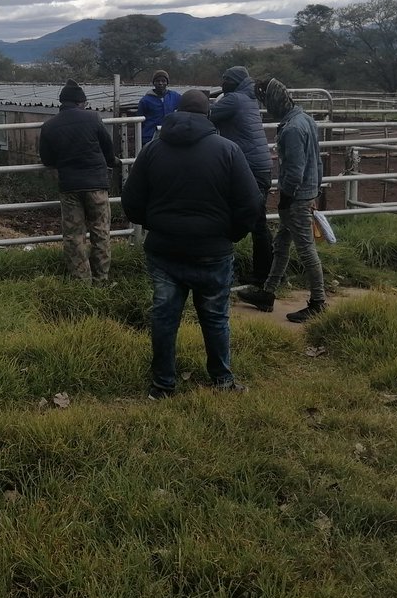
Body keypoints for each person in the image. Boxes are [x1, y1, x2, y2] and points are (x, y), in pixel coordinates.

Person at [121, 89, 262, 397]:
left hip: (164, 250)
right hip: (213, 251)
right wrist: (229, 234)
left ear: (176, 112)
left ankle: (162, 385)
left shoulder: (152, 150)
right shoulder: (228, 150)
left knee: (164, 317)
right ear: (208, 114)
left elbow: (130, 201)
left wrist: (156, 225)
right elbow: (251, 203)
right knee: (215, 317)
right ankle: (222, 381)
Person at [237, 79, 327, 322]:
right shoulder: (305, 119)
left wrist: (286, 198)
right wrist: (315, 191)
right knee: (281, 245)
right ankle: (268, 292)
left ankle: (318, 301)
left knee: (306, 250)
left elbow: (294, 169)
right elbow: (317, 161)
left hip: (296, 198)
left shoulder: (292, 129)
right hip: (306, 193)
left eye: (267, 102)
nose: (267, 107)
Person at [38, 79, 118, 285]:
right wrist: (112, 162)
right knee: (101, 232)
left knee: (74, 236)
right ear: (80, 102)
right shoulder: (93, 118)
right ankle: (101, 280)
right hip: (96, 185)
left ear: (62, 103)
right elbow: (108, 149)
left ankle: (81, 282)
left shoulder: (49, 126)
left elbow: (47, 160)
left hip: (70, 187)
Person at [209, 66, 273, 289]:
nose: (222, 83)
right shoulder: (247, 98)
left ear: (234, 82)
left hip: (250, 168)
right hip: (259, 167)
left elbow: (205, 115)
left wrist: (201, 98)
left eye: (225, 80)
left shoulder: (234, 99)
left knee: (254, 223)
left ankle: (262, 278)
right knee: (258, 223)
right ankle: (265, 275)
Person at [137, 70, 181, 145]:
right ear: (153, 83)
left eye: (163, 81)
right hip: (149, 137)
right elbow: (140, 120)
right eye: (157, 81)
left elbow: (184, 107)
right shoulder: (145, 100)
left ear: (167, 83)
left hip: (169, 135)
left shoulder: (175, 96)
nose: (160, 83)